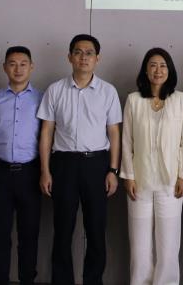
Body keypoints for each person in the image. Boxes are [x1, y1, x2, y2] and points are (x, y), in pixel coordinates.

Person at [37, 34, 121, 285]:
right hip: (63, 166)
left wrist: (113, 171)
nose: (84, 57)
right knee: (62, 231)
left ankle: (93, 281)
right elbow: (46, 132)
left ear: (97, 58)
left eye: (89, 53)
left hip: (97, 165)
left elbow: (114, 133)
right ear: (69, 57)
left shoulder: (108, 91)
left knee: (96, 231)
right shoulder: (55, 90)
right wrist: (45, 171)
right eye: (78, 52)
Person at [120, 47, 183, 285]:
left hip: (170, 183)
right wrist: (128, 176)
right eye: (153, 65)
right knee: (140, 246)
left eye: (163, 65)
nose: (158, 70)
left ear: (170, 70)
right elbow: (126, 141)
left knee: (168, 244)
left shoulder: (180, 100)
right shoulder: (133, 100)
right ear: (145, 70)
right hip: (139, 182)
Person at [0, 46, 43, 285]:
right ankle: (0, 279)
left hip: (30, 173)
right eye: (12, 64)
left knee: (29, 234)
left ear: (31, 67)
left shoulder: (42, 99)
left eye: (23, 64)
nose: (18, 69)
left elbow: (47, 137)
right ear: (4, 67)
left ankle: (27, 279)